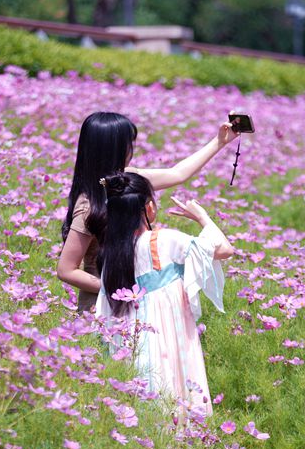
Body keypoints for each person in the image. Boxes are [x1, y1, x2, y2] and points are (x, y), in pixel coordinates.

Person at [57, 111, 239, 313]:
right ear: (113, 148)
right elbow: (66, 270)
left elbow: (177, 174)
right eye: (128, 143)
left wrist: (219, 141)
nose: (131, 150)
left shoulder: (128, 179)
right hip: (102, 310)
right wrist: (117, 290)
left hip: (139, 303)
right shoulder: (90, 203)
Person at [94, 171, 235, 416]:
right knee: (178, 398)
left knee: (147, 411)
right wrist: (203, 218)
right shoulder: (164, 240)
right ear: (149, 209)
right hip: (172, 341)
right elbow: (224, 249)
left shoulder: (111, 255)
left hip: (134, 346)